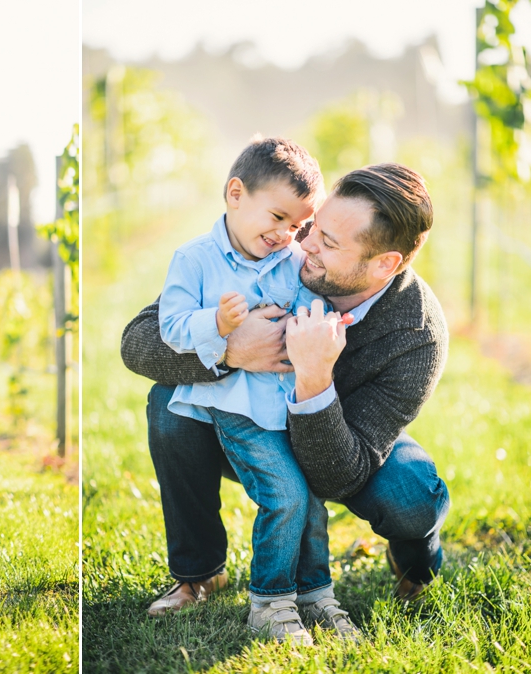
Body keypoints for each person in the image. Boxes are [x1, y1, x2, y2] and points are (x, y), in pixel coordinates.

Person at [122, 162, 450, 631]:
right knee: (169, 405)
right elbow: (138, 340)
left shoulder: (418, 336)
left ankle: (417, 565)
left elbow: (340, 476)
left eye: (328, 243)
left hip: (349, 441)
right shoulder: (273, 252)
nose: (304, 241)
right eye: (313, 227)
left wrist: (315, 380)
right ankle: (199, 574)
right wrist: (230, 352)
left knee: (411, 498)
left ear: (384, 263)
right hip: (251, 421)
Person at [156, 137, 356, 644]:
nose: (285, 234)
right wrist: (217, 324)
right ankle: (269, 602)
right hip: (239, 408)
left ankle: (315, 593)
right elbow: (171, 326)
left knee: (309, 500)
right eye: (278, 217)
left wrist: (327, 324)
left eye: (297, 225)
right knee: (284, 495)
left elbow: (312, 309)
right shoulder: (196, 259)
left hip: (289, 406)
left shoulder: (292, 261)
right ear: (235, 193)